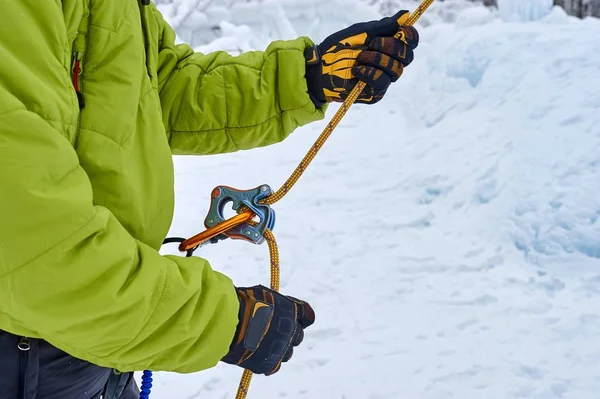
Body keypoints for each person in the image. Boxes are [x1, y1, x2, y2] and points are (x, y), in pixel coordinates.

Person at [0, 1, 419, 398]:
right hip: (34, 342)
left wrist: (305, 77)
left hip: (93, 336)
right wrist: (224, 320)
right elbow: (32, 246)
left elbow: (154, 83)